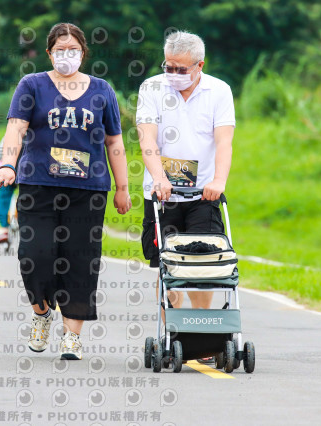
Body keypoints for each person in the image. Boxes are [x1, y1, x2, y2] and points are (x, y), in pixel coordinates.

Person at [0, 23, 131, 360]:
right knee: (34, 256)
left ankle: (72, 337)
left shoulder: (101, 90)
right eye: (60, 50)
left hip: (88, 190)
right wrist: (8, 164)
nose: (66, 56)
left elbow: (114, 141)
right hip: (39, 184)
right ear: (49, 53)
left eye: (73, 50)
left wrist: (122, 188)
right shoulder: (32, 85)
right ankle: (42, 312)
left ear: (83, 53)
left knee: (80, 261)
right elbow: (15, 129)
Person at [136, 31, 235, 358]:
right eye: (169, 67)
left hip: (203, 195)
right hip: (162, 196)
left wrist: (218, 180)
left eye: (182, 69)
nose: (174, 74)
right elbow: (147, 139)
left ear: (199, 65)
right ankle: (175, 332)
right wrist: (159, 178)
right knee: (168, 266)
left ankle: (202, 334)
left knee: (204, 266)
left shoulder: (219, 91)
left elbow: (224, 141)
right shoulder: (152, 88)